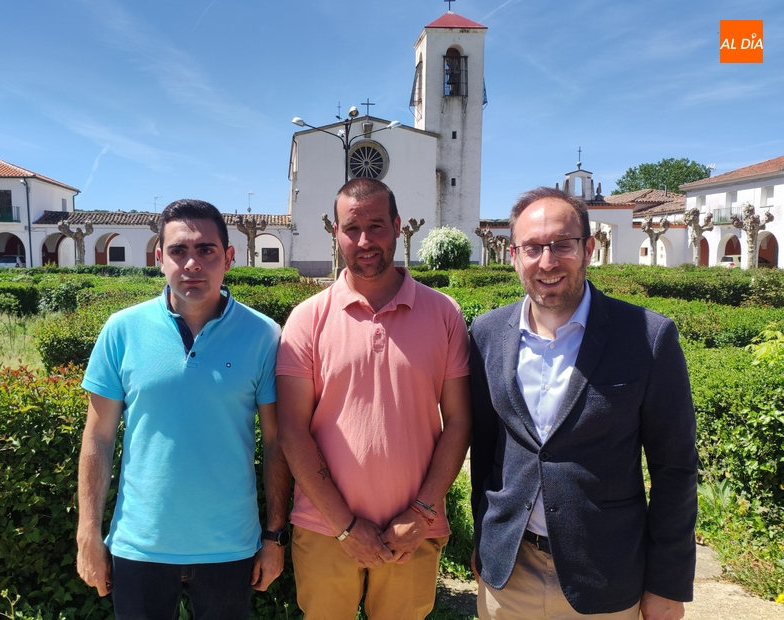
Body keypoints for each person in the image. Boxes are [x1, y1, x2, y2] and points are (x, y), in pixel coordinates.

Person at [469, 186, 698, 620]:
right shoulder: (486, 334)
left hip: (607, 576)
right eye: (533, 248)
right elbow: (485, 449)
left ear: (589, 248)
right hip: (510, 573)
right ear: (514, 255)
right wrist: (486, 538)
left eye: (562, 245)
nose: (548, 261)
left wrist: (668, 583)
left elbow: (676, 467)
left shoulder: (648, 337)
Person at [75, 199, 290, 620]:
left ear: (229, 257)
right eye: (178, 251)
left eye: (206, 250)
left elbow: (277, 442)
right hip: (140, 545)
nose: (192, 263)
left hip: (230, 547)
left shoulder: (264, 335)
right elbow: (97, 438)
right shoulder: (121, 330)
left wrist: (274, 536)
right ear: (159, 258)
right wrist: (88, 533)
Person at [277, 178, 472, 620]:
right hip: (326, 527)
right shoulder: (307, 319)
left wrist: (421, 513)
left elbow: (459, 421)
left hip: (414, 530)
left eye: (377, 226)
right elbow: (291, 428)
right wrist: (345, 526)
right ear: (336, 233)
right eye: (351, 228)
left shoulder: (444, 313)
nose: (364, 241)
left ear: (400, 227)